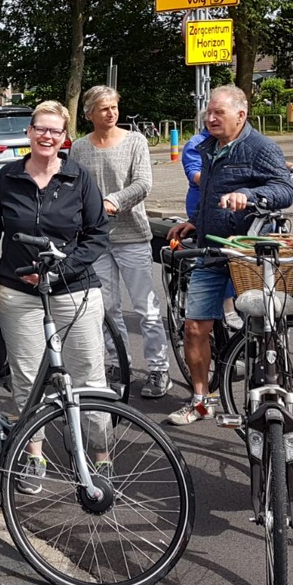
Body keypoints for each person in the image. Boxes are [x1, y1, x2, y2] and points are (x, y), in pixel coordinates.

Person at [0, 100, 113, 492]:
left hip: (74, 291)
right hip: (18, 293)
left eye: (55, 131)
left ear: (64, 138)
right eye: (40, 129)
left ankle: (99, 458)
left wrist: (60, 268)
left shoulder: (78, 178)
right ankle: (34, 454)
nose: (47, 136)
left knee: (88, 377)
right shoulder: (7, 178)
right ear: (29, 133)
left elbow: (97, 234)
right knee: (29, 377)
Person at [165, 85, 293, 425]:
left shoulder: (260, 147)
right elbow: (209, 194)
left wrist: (248, 194)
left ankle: (270, 396)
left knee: (262, 328)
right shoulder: (208, 147)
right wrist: (194, 222)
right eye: (208, 112)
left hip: (248, 254)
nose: (210, 118)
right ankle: (200, 401)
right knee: (194, 327)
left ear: (241, 115)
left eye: (218, 113)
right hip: (211, 248)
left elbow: (285, 190)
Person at [70, 86, 169, 399]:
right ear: (89, 114)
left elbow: (142, 184)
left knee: (145, 308)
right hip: (96, 239)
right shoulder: (79, 149)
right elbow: (74, 186)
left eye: (114, 107)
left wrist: (113, 200)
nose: (111, 113)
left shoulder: (135, 142)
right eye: (103, 109)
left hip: (132, 236)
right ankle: (119, 364)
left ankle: (158, 368)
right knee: (107, 310)